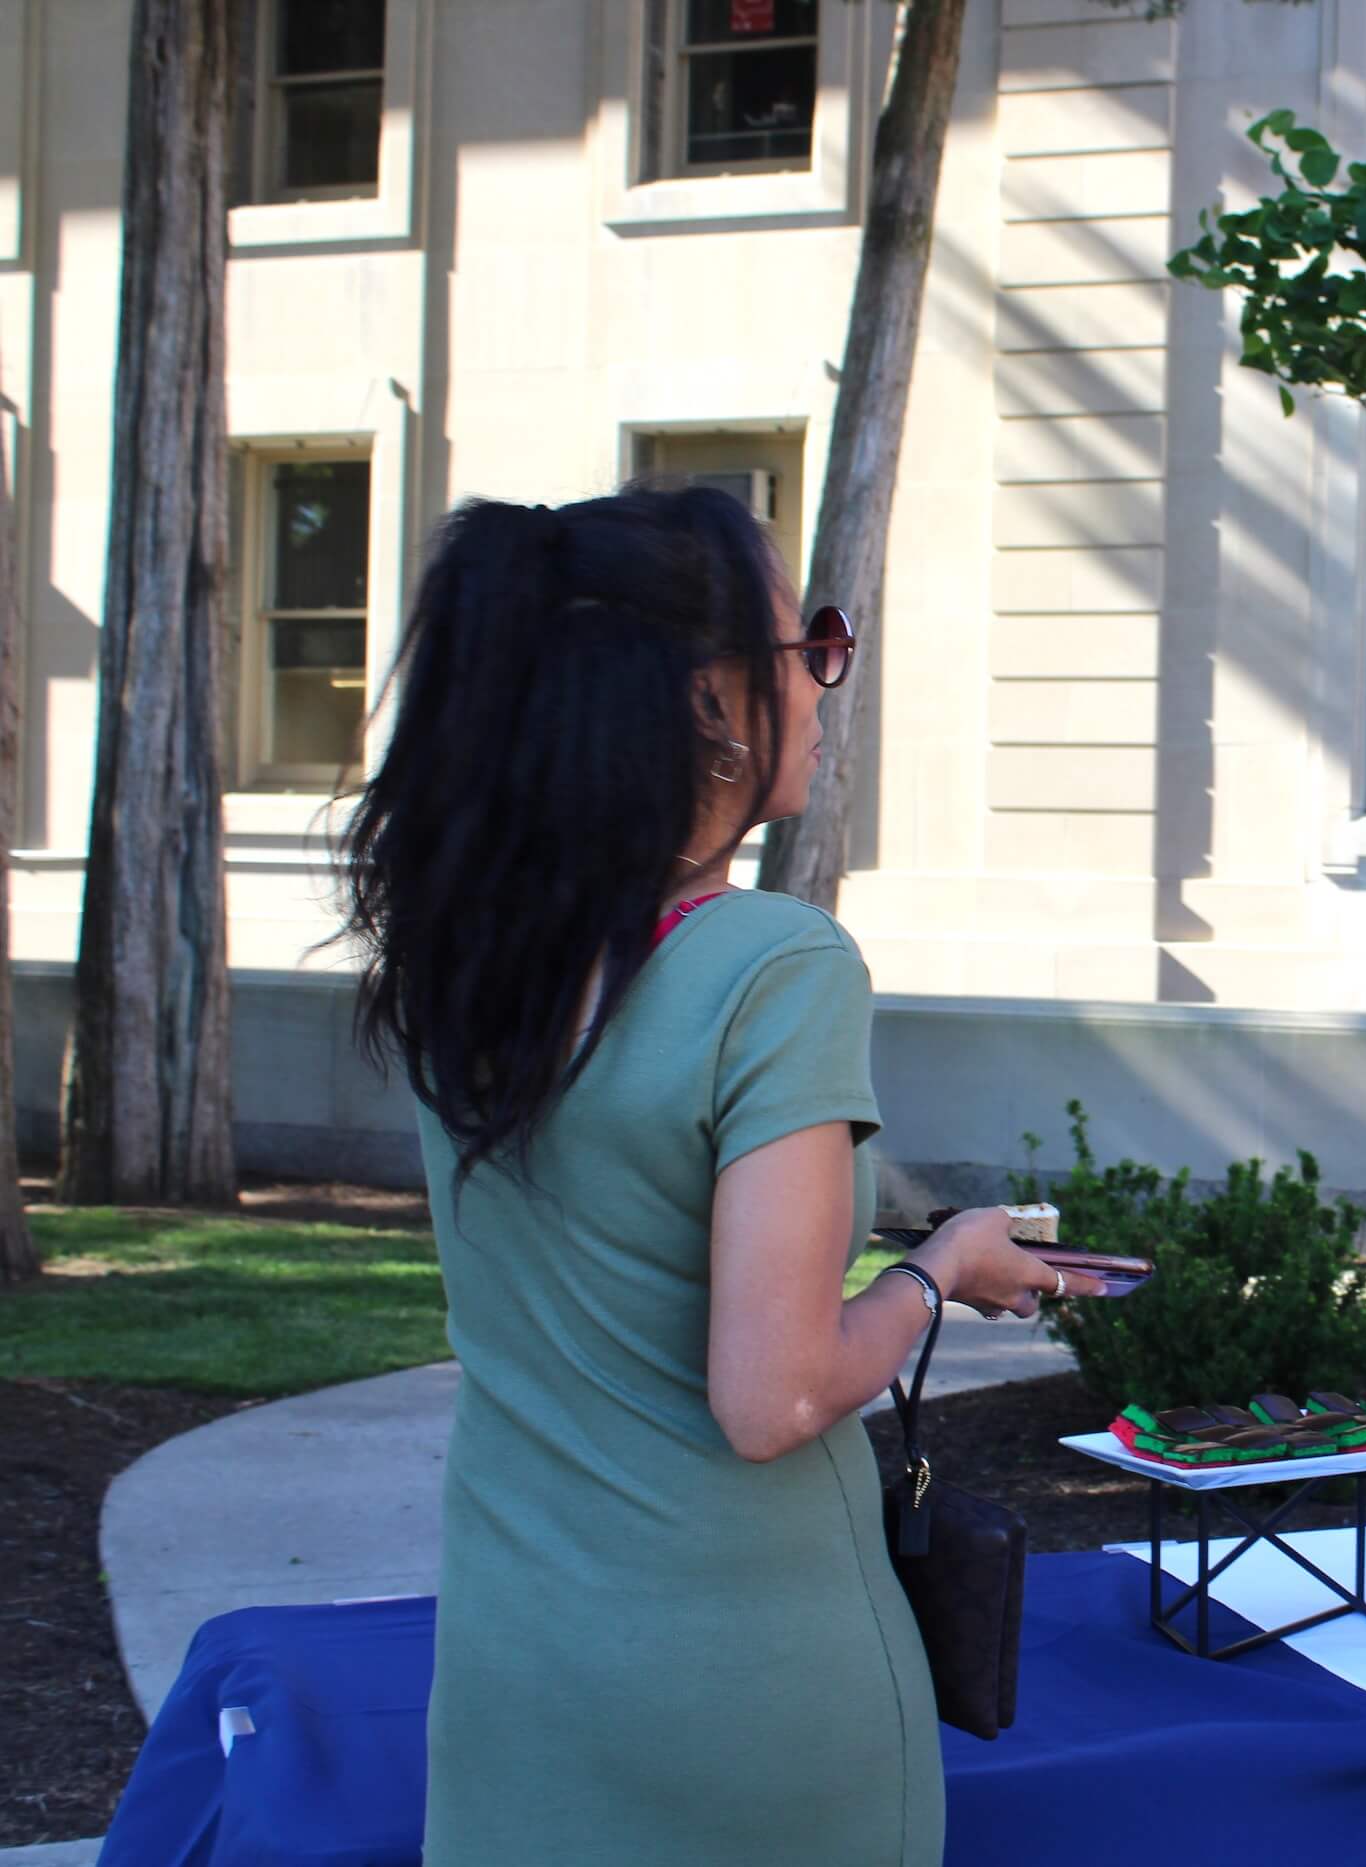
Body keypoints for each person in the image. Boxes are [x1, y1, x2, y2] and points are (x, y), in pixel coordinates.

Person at [339, 486, 1064, 1865]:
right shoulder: (774, 966)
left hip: (516, 1661)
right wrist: (939, 1269)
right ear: (714, 697)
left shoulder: (471, 962)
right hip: (741, 1679)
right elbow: (773, 1395)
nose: (825, 686)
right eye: (813, 649)